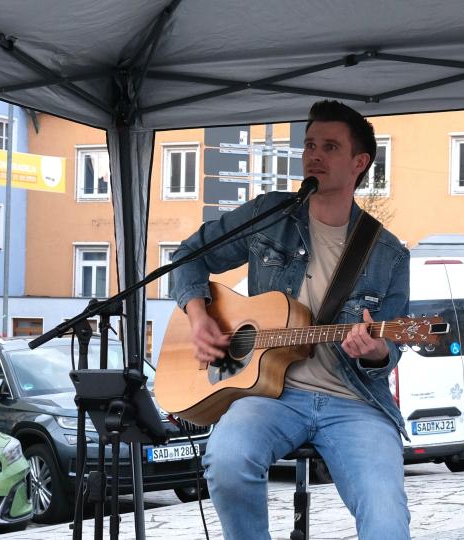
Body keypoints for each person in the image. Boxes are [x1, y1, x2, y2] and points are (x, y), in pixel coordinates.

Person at [170, 100, 411, 540]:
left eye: (330, 147)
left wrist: (376, 351)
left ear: (359, 163)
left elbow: (390, 347)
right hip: (270, 395)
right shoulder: (270, 216)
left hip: (354, 402)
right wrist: (199, 316)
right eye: (309, 145)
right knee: (226, 461)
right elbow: (188, 255)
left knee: (386, 519)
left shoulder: (389, 253)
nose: (314, 155)